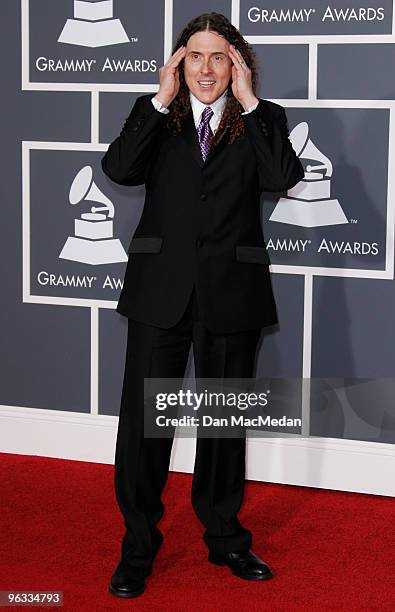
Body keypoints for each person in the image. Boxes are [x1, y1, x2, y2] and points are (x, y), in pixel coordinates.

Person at [101, 12, 304, 599]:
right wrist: (158, 101)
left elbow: (282, 175)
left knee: (222, 425)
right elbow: (117, 168)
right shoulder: (158, 119)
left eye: (220, 57)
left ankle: (226, 540)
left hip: (230, 294)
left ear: (236, 64)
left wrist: (253, 101)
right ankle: (138, 546)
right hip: (158, 293)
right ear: (178, 62)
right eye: (196, 56)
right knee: (144, 428)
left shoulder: (262, 120)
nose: (207, 68)